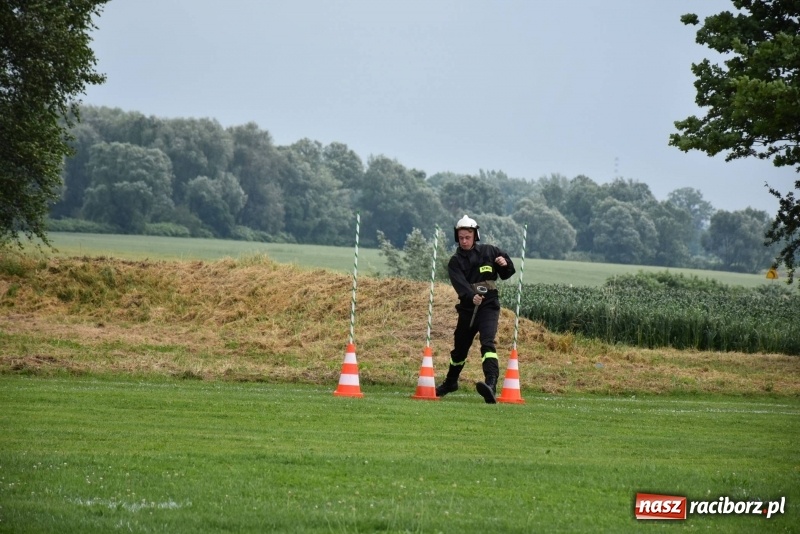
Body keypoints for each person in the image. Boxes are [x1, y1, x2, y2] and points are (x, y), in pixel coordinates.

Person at [436, 215, 516, 403]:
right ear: (457, 237)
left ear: (475, 235)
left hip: (489, 305)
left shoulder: (490, 251)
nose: (464, 241)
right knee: (459, 351)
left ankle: (491, 383)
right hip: (467, 308)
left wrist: (505, 264)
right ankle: (450, 382)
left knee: (487, 343)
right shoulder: (455, 261)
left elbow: (506, 273)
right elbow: (460, 285)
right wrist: (471, 297)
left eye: (468, 237)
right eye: (461, 237)